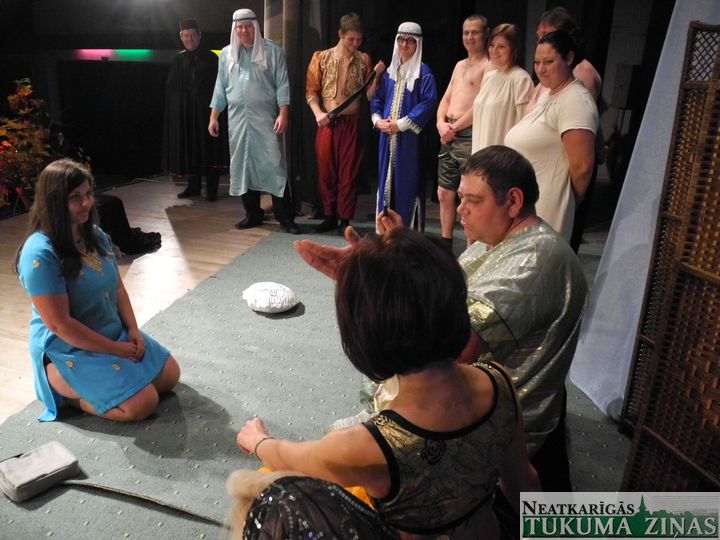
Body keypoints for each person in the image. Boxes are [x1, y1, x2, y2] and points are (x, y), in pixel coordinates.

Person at [295, 146, 588, 493]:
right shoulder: (491, 241)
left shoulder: (535, 258)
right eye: (461, 198)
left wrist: (374, 282)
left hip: (485, 421)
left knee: (330, 466)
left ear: (513, 201)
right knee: (336, 453)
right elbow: (440, 302)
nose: (460, 208)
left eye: (473, 201)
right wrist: (384, 265)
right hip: (465, 393)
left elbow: (450, 349)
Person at [237, 228, 539, 538]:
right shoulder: (498, 378)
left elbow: (290, 457)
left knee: (269, 498)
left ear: (363, 334)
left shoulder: (367, 444)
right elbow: (523, 484)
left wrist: (257, 441)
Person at [14, 159, 181, 422]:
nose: (86, 203)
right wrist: (115, 350)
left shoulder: (95, 234)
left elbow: (117, 288)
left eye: (89, 194)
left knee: (170, 376)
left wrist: (133, 330)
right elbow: (59, 325)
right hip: (68, 346)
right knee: (143, 404)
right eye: (75, 197)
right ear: (53, 201)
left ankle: (104, 382)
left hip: (108, 328)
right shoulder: (39, 253)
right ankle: (60, 387)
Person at [209, 8, 299, 234]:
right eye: (239, 27)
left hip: (266, 119)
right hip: (238, 121)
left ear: (255, 27)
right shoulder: (227, 54)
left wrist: (283, 113)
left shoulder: (272, 51)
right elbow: (220, 87)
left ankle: (285, 217)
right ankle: (253, 214)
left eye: (248, 26)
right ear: (234, 29)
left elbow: (283, 84)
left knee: (274, 166)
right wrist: (214, 116)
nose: (244, 31)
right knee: (243, 165)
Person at [505, 30, 598, 242]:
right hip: (526, 202)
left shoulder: (576, 100)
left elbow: (582, 167)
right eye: (537, 62)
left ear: (569, 58)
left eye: (548, 62)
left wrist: (567, 200)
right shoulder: (548, 93)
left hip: (547, 206)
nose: (540, 69)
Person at [530, 6, 605, 252]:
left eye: (548, 34)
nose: (542, 40)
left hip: (561, 182)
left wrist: (569, 198)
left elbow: (579, 152)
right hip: (541, 182)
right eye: (540, 35)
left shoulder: (580, 75)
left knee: (555, 250)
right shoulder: (552, 82)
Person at [306, 12, 382, 235]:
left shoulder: (363, 59)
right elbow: (311, 92)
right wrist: (318, 113)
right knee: (326, 171)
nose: (355, 44)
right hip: (327, 123)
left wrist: (377, 76)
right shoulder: (321, 57)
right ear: (340, 34)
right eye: (351, 39)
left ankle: (345, 219)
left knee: (349, 173)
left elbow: (369, 95)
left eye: (359, 40)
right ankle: (329, 215)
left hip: (351, 123)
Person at [371, 22, 437, 230]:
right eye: (401, 40)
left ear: (417, 44)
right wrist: (377, 120)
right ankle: (385, 233)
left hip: (409, 140)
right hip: (386, 138)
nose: (405, 45)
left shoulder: (424, 73)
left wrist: (400, 125)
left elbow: (428, 104)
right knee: (385, 182)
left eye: (410, 41)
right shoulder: (389, 73)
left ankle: (407, 235)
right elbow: (377, 99)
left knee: (407, 184)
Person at [436, 14, 493, 247]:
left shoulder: (489, 65)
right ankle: (445, 245)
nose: (469, 37)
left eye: (474, 32)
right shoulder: (460, 65)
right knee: (444, 192)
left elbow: (481, 103)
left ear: (485, 34)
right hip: (448, 133)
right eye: (466, 32)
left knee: (468, 194)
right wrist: (440, 123)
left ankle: (470, 250)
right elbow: (446, 98)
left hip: (468, 133)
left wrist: (455, 127)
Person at [162, 19, 228, 202]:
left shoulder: (212, 58)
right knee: (190, 148)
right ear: (181, 37)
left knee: (209, 149)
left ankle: (212, 189)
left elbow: (219, 86)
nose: (189, 39)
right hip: (187, 114)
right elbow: (172, 89)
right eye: (186, 35)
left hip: (207, 113)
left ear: (199, 35)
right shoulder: (178, 59)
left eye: (192, 35)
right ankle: (193, 186)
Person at [470, 23, 533, 154]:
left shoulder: (521, 79)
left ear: (513, 49)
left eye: (501, 47)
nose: (494, 51)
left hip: (503, 158)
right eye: (492, 45)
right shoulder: (489, 77)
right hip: (480, 153)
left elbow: (525, 127)